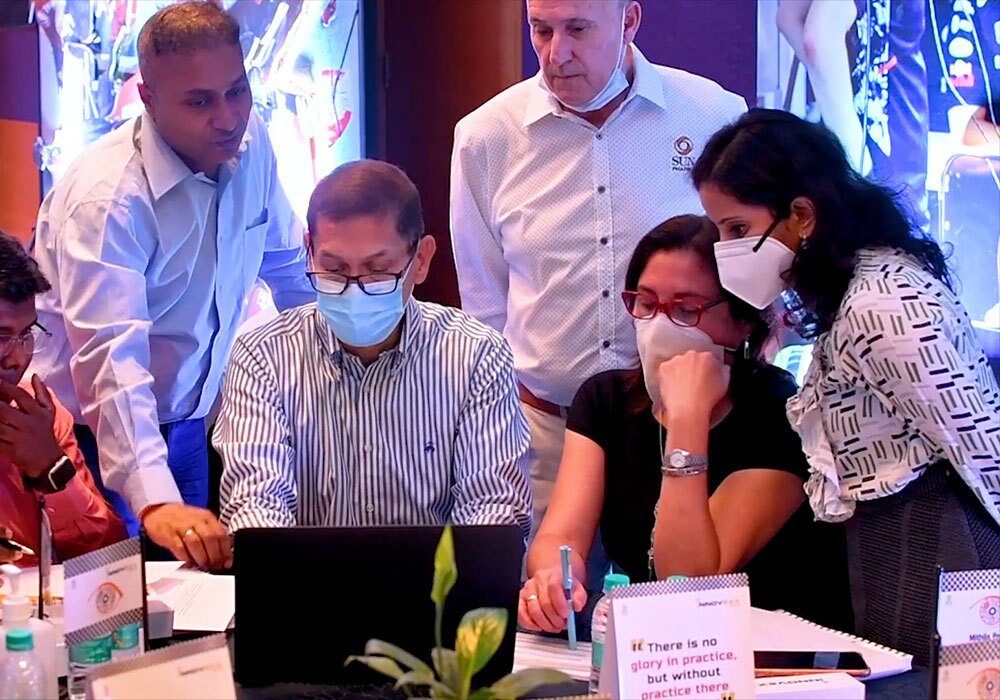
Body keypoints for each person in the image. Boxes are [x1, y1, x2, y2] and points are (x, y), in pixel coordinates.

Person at [450, 0, 747, 587]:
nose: (557, 53)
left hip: (679, 428)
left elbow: (743, 270)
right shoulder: (485, 137)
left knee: (679, 625)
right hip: (545, 435)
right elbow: (484, 304)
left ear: (630, 20)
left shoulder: (714, 114)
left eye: (579, 29)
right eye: (542, 30)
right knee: (542, 621)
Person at [693, 108, 1000, 664]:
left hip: (939, 551)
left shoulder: (883, 302)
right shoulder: (852, 289)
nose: (725, 249)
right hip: (898, 545)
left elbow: (980, 443)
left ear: (802, 215)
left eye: (737, 229)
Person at [29, 1, 316, 570]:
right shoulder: (107, 199)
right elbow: (112, 361)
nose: (228, 117)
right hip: (87, 437)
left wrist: (346, 364)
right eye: (200, 101)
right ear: (149, 100)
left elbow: (288, 269)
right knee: (112, 614)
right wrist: (154, 497)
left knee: (190, 607)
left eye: (237, 90)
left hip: (188, 421)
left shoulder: (250, 141)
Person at [518, 216, 853, 636]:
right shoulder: (605, 401)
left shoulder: (780, 413)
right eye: (645, 302)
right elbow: (561, 535)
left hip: (766, 662)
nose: (658, 325)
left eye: (685, 309)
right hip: (655, 654)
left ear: (742, 321)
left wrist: (688, 418)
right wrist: (553, 578)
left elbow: (689, 580)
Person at [215, 160, 532, 539]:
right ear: (309, 251)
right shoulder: (262, 354)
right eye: (333, 270)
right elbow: (256, 502)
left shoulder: (476, 354)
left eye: (377, 272)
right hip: (306, 591)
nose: (353, 290)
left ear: (421, 260)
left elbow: (492, 508)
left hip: (438, 592)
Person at [0, 232, 126, 567]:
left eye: (26, 334)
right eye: (1, 336)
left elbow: (109, 564)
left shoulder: (39, 411)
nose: (16, 359)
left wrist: (50, 469)